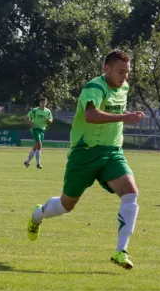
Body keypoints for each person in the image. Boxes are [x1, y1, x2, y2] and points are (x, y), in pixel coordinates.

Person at [26, 50, 145, 269]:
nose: (124, 77)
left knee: (131, 193)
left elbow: (114, 110)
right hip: (84, 153)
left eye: (127, 73)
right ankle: (37, 215)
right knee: (66, 205)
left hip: (112, 152)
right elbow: (91, 115)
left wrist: (127, 115)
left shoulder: (124, 87)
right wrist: (124, 117)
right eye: (120, 72)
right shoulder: (94, 87)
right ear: (106, 69)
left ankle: (121, 250)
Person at [24, 97, 53, 169]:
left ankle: (27, 162)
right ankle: (38, 164)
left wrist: (49, 120)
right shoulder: (34, 110)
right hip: (35, 129)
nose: (43, 104)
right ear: (39, 103)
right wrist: (31, 123)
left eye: (45, 102)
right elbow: (27, 118)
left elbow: (51, 120)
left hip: (42, 130)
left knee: (36, 146)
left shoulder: (48, 111)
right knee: (39, 144)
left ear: (46, 103)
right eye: (42, 102)